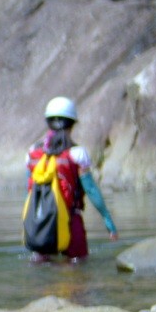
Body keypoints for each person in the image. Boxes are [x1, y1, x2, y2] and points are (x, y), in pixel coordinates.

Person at [23, 97, 116, 262]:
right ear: (72, 124)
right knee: (78, 266)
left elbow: (29, 191)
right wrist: (107, 219)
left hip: (40, 223)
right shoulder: (77, 153)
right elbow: (91, 190)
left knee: (40, 264)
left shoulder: (32, 153)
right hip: (70, 222)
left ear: (48, 122)